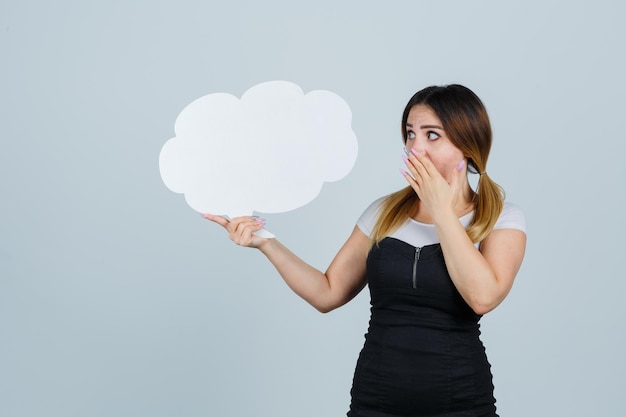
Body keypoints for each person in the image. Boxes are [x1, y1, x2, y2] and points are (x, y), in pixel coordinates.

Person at [203, 84, 526, 417]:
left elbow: (482, 297)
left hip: (461, 403)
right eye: (410, 134)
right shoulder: (383, 212)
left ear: (468, 144)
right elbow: (327, 293)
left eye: (432, 135)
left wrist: (442, 210)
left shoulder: (502, 218)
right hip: (375, 401)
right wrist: (265, 242)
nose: (415, 148)